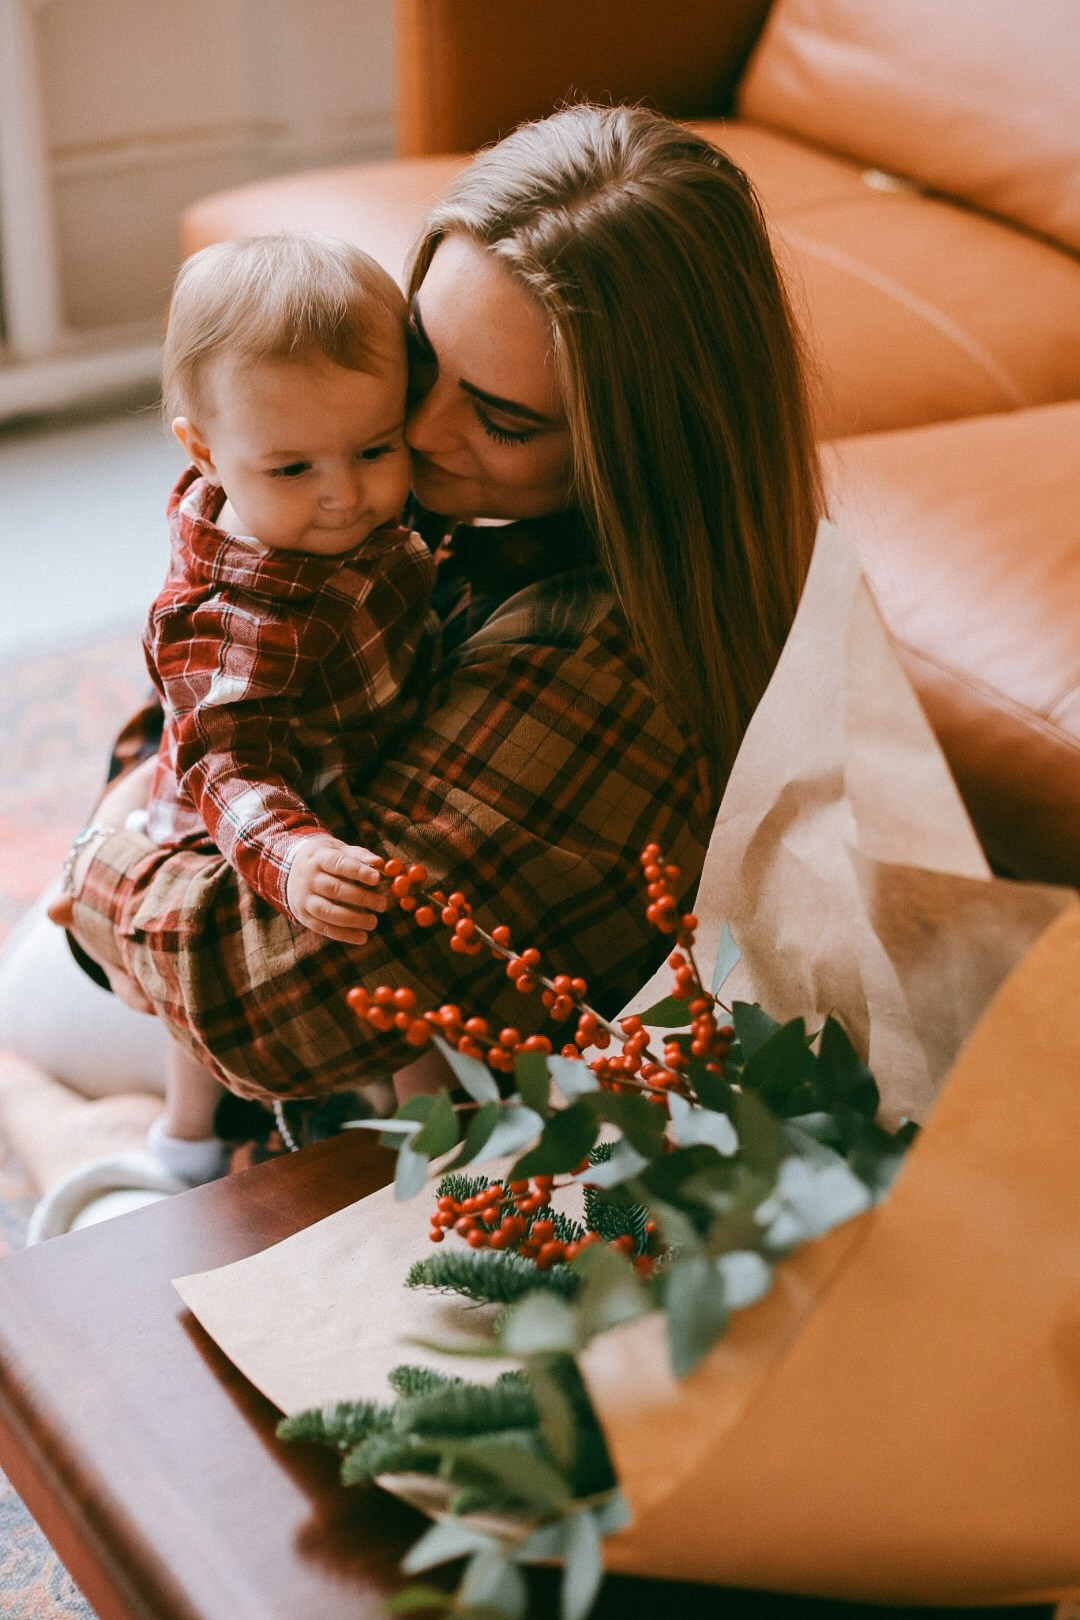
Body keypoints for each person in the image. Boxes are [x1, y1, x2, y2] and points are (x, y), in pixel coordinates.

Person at [3, 103, 821, 1208]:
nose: (415, 433)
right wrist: (173, 777)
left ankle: (63, 1132)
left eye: (503, 419)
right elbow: (203, 687)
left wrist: (94, 865)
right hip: (252, 895)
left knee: (23, 1045)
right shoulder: (423, 495)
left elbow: (263, 999)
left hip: (330, 1031)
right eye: (424, 357)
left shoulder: (594, 669)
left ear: (637, 448)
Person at [120, 234, 436, 1182]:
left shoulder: (361, 504)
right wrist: (289, 855)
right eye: (293, 470)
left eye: (377, 448)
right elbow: (225, 766)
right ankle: (185, 1138)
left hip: (359, 763)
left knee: (411, 966)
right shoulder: (226, 616)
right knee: (197, 1007)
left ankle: (438, 1121)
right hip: (246, 830)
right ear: (205, 451)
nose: (346, 496)